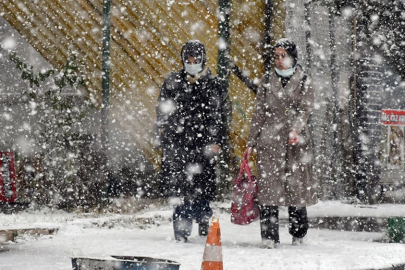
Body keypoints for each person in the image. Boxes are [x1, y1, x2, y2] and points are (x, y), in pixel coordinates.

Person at [244, 38, 317, 249]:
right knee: (269, 191)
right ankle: (269, 236)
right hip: (270, 141)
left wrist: (295, 128)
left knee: (296, 189)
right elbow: (258, 113)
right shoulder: (267, 80)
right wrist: (251, 142)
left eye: (283, 55)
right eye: (276, 56)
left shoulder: (304, 80)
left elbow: (305, 109)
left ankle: (298, 233)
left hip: (296, 141)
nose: (279, 60)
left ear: (293, 57)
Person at [154, 40, 223, 242]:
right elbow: (162, 110)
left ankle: (204, 226)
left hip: (204, 144)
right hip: (178, 142)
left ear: (202, 60)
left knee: (202, 188)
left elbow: (218, 116)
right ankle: (181, 232)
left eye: (196, 59)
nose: (191, 63)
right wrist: (161, 131)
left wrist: (216, 140)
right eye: (188, 59)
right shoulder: (173, 81)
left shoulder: (212, 83)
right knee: (180, 189)